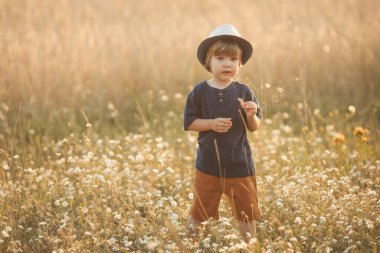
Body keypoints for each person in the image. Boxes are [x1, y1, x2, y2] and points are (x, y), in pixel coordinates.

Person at [183, 24, 262, 242]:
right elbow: (189, 123)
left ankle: (250, 246)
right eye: (220, 58)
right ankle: (191, 245)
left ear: (240, 63)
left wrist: (251, 115)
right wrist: (211, 123)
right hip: (208, 166)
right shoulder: (200, 91)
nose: (227, 63)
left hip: (240, 165)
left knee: (246, 215)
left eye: (233, 59)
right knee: (199, 214)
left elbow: (254, 127)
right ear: (209, 61)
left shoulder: (244, 92)